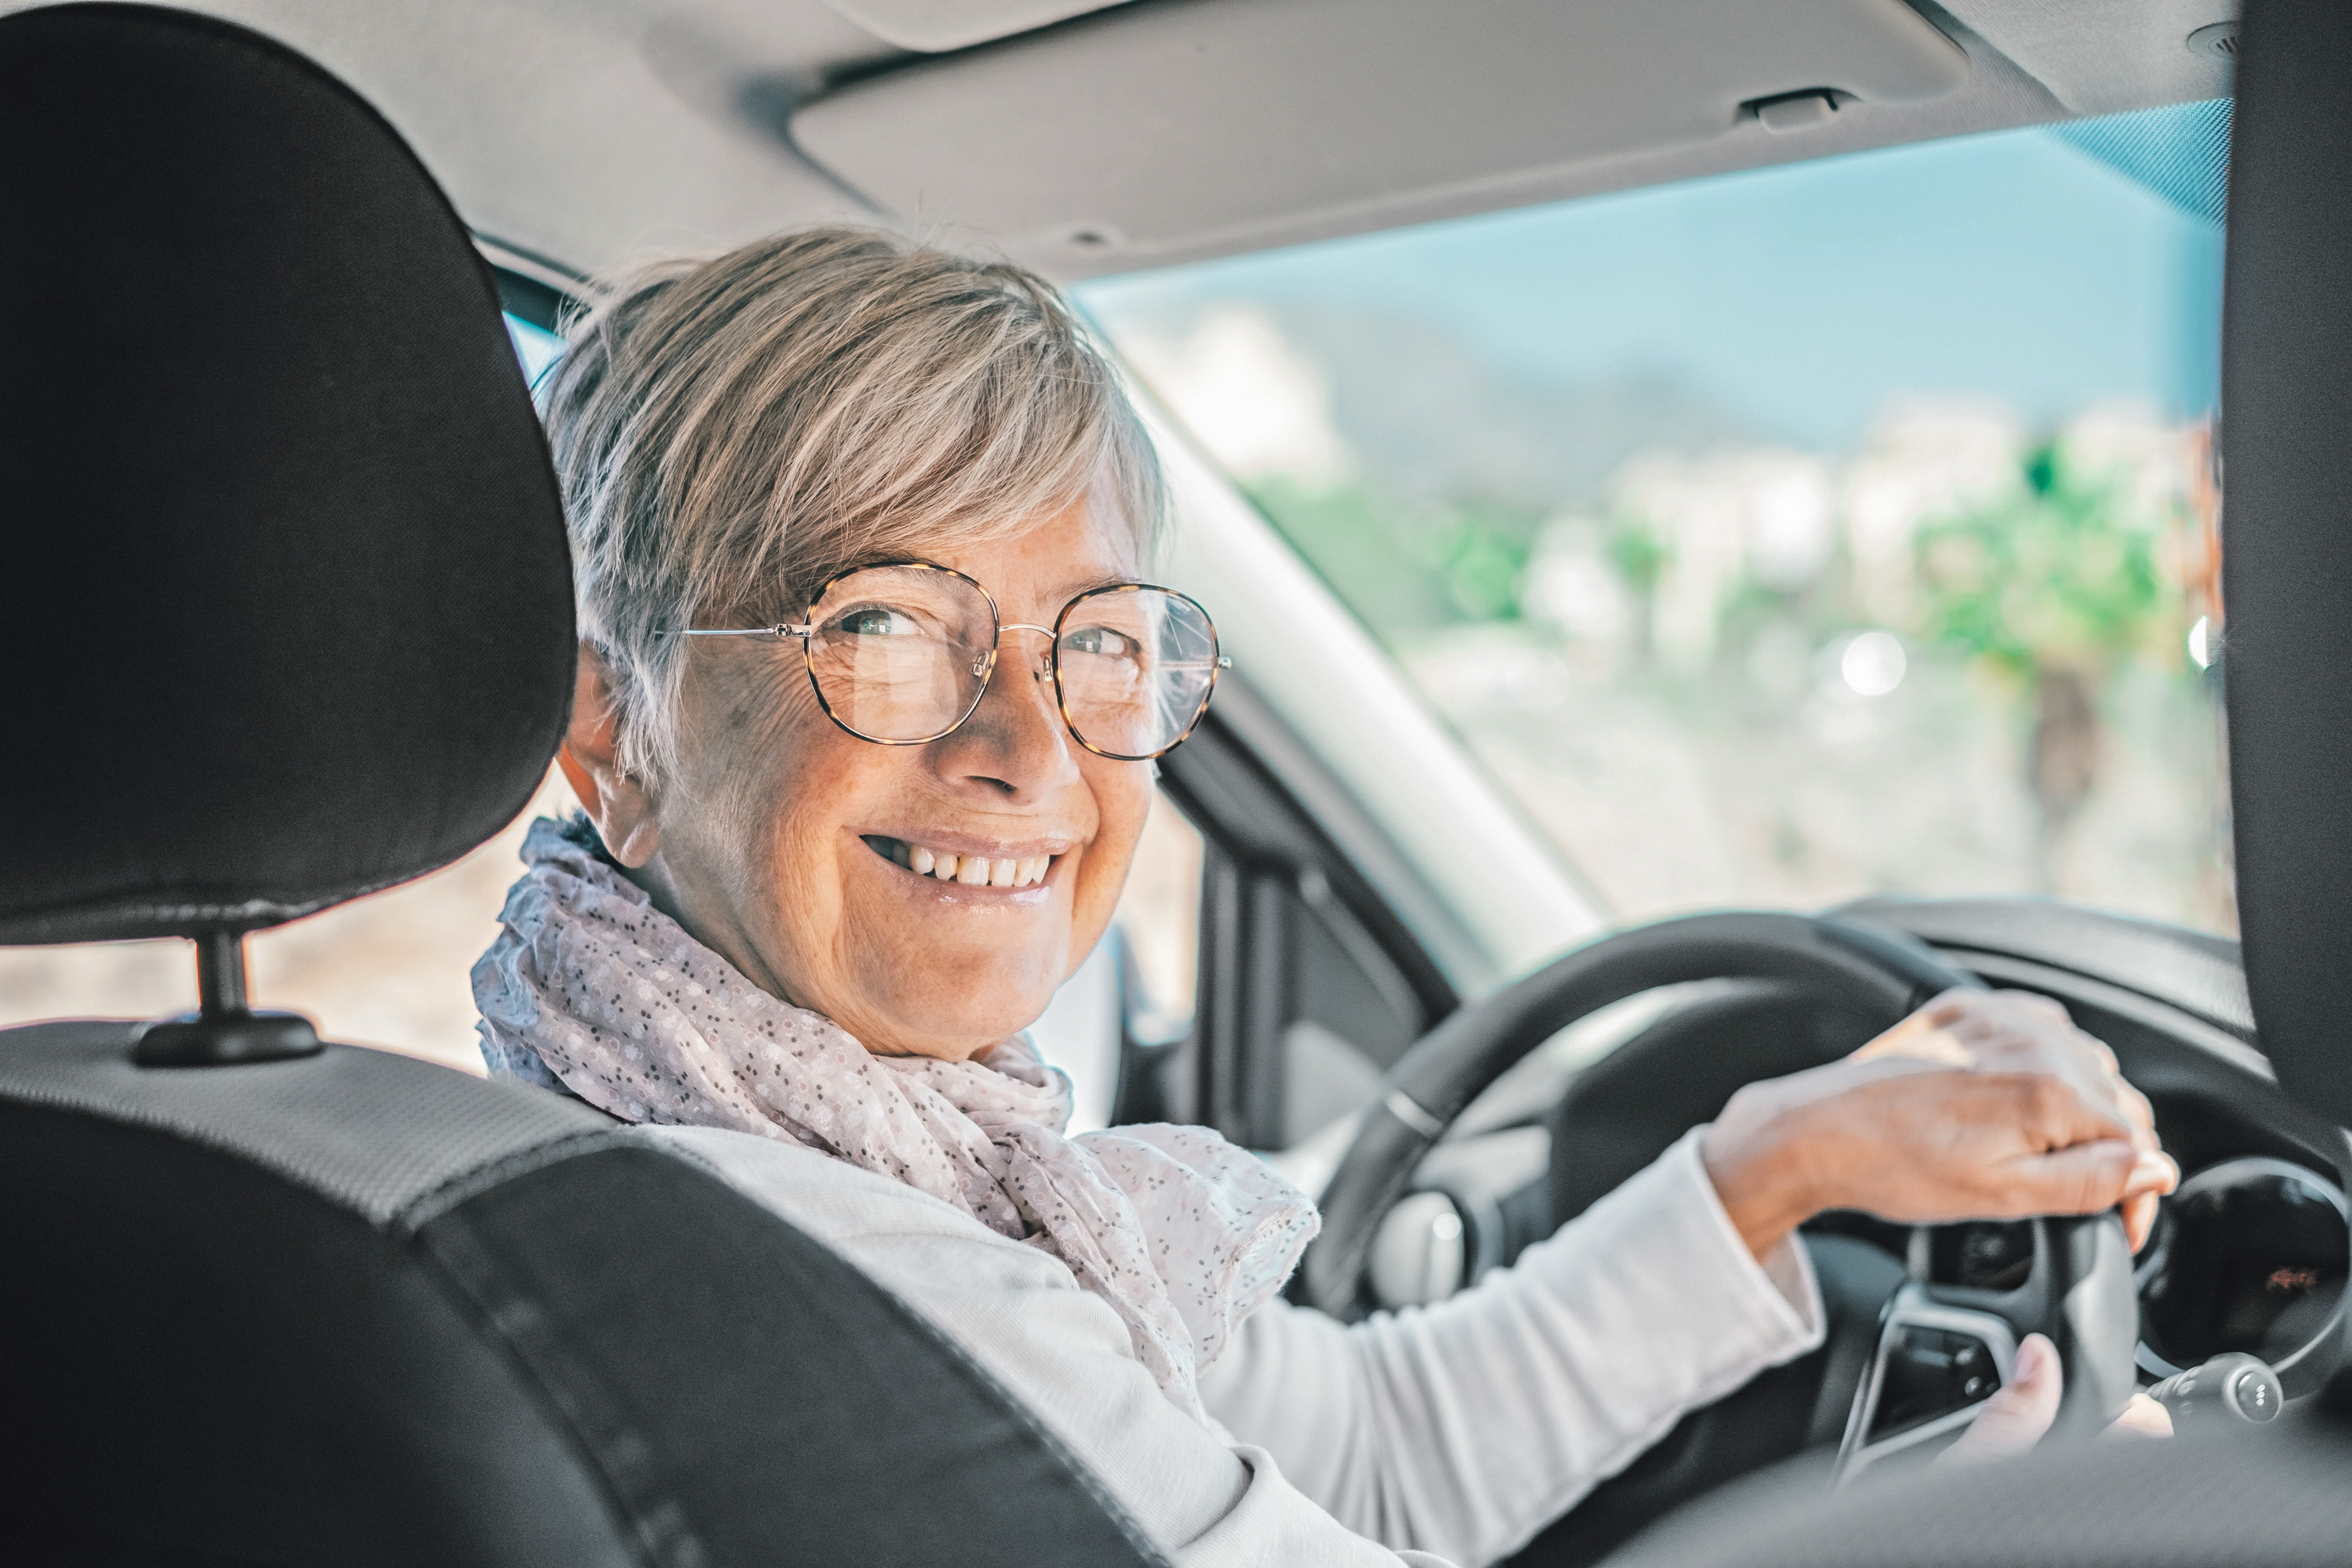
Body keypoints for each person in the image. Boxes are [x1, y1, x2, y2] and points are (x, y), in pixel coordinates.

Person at [473, 227, 2178, 1568]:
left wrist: (1780, 1164)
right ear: (611, 724)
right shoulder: (817, 1280)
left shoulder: (735, 1153)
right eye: (891, 624)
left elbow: (1362, 1459)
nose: (1030, 746)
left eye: (1099, 643)